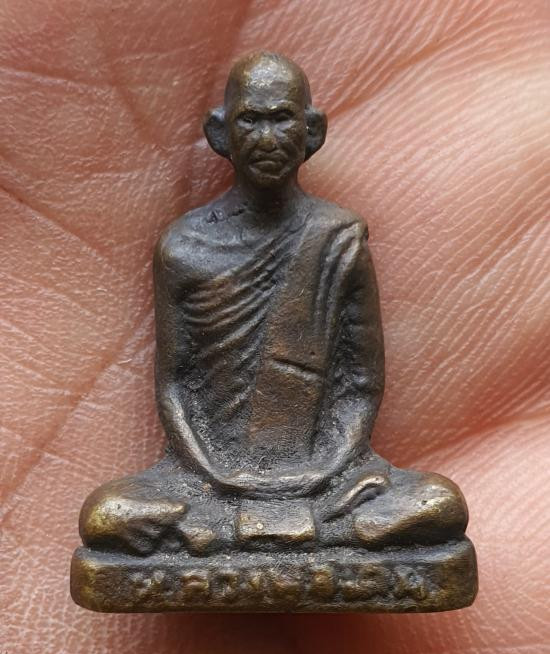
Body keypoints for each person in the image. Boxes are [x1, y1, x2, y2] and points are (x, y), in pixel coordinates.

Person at [78, 52, 467, 556]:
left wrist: (324, 470)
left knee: (441, 503)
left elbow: (361, 384)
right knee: (106, 514)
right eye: (250, 120)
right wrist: (216, 474)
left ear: (312, 131)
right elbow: (174, 383)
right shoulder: (184, 247)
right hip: (211, 481)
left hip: (326, 475)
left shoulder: (338, 238)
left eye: (282, 118)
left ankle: (264, 534)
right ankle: (322, 535)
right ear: (220, 133)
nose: (267, 138)